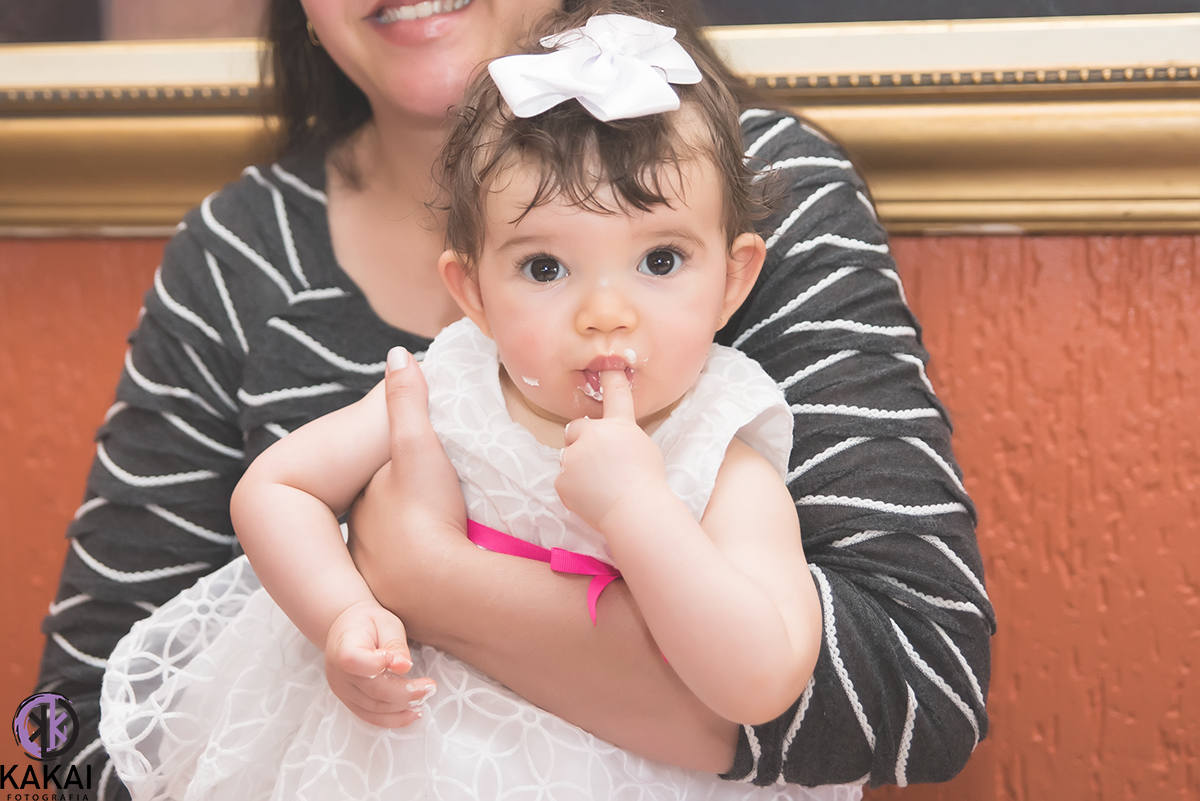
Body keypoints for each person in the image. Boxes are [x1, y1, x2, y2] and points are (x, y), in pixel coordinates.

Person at [36, 0, 994, 797]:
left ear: (732, 271)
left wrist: (427, 578)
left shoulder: (743, 232)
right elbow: (77, 729)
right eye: (542, 266)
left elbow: (918, 686)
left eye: (661, 259)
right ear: (468, 289)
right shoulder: (257, 266)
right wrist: (341, 616)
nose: (604, 310)